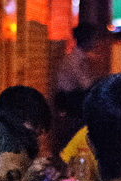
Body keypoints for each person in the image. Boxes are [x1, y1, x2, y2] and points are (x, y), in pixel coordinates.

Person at [52, 22, 103, 157]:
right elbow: (86, 84)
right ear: (86, 39)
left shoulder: (82, 58)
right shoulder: (73, 60)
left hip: (76, 99)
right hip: (69, 102)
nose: (95, 42)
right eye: (93, 38)